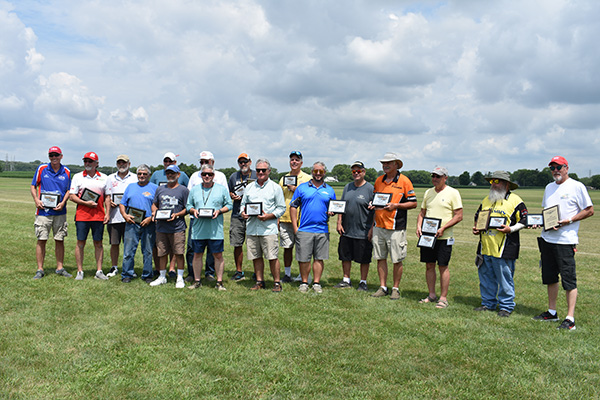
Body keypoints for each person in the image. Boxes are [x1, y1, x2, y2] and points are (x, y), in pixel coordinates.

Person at [533, 156, 594, 330]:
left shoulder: (577, 186)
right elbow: (547, 211)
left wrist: (569, 220)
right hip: (547, 238)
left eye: (558, 167)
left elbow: (589, 210)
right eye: (552, 168)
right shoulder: (549, 187)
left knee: (568, 279)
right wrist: (540, 221)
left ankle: (570, 318)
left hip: (565, 241)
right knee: (550, 277)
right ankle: (552, 312)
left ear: (566, 168)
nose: (555, 171)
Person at [472, 171, 527, 317]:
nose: (494, 184)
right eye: (492, 182)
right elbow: (478, 217)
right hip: (485, 247)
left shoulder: (516, 200)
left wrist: (511, 229)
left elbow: (525, 220)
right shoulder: (486, 199)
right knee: (485, 277)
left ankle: (506, 306)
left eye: (497, 181)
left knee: (505, 279)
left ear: (506, 184)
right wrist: (476, 228)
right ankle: (488, 303)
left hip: (505, 247)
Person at [370, 152, 417, 300]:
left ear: (396, 164)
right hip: (379, 226)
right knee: (380, 258)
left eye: (389, 162)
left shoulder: (404, 181)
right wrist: (373, 205)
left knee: (397, 260)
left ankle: (395, 288)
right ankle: (383, 287)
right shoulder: (379, 180)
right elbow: (376, 200)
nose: (385, 165)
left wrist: (396, 205)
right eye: (383, 163)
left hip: (396, 227)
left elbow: (413, 203)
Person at [416, 166, 463, 308]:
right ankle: (431, 295)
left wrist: (443, 228)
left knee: (443, 266)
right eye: (433, 176)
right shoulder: (428, 192)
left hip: (444, 237)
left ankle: (443, 298)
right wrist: (419, 226)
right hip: (428, 237)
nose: (435, 179)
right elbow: (422, 213)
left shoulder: (453, 193)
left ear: (445, 178)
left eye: (438, 176)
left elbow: (459, 215)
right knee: (429, 265)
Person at [289, 161, 336, 293]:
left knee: (319, 258)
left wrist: (332, 212)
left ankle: (316, 283)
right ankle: (304, 282)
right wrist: (295, 227)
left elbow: (333, 208)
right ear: (312, 172)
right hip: (304, 230)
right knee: (304, 259)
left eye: (321, 171)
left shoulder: (329, 190)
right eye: (316, 171)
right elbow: (293, 206)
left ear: (324, 173)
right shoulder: (302, 188)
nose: (318, 174)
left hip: (322, 230)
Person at [240, 159, 286, 292]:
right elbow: (243, 205)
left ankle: (277, 283)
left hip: (268, 228)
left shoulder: (275, 187)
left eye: (263, 170)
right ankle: (260, 281)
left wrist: (269, 216)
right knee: (256, 256)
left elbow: (281, 208)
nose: (260, 172)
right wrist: (243, 213)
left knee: (272, 257)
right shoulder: (249, 187)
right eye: (258, 170)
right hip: (252, 228)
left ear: (269, 171)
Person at [186, 164, 232, 290]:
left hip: (215, 230)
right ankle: (197, 281)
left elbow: (229, 204)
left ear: (214, 175)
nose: (207, 176)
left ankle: (219, 282)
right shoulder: (194, 189)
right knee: (197, 255)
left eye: (210, 174)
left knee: (218, 255)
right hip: (198, 230)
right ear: (201, 175)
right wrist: (193, 211)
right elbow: (188, 206)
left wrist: (220, 211)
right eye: (204, 174)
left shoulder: (221, 189)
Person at [31, 146, 72, 279]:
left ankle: (60, 268)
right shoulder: (42, 168)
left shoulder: (66, 171)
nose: (54, 157)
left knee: (59, 240)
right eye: (51, 155)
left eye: (56, 155)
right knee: (41, 239)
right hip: (43, 213)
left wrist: (63, 202)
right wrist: (36, 200)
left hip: (60, 212)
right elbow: (33, 185)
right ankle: (40, 269)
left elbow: (68, 190)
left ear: (61, 156)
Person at [69, 151, 110, 280]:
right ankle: (80, 272)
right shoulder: (78, 177)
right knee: (80, 243)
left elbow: (108, 197)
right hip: (82, 216)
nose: (87, 163)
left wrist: (107, 213)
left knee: (98, 243)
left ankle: (99, 271)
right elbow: (72, 196)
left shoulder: (104, 177)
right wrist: (85, 203)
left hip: (98, 215)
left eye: (90, 161)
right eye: (85, 161)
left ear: (96, 163)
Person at [334, 161, 374, 291]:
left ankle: (363, 282)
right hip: (347, 229)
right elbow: (341, 205)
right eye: (354, 171)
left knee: (364, 258)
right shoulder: (347, 187)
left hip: (363, 230)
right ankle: (346, 279)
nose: (356, 173)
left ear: (364, 172)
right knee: (345, 255)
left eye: (359, 171)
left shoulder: (370, 189)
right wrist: (339, 221)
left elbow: (375, 211)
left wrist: (372, 228)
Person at [150, 165, 189, 288]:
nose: (170, 175)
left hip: (177, 227)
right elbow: (154, 204)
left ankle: (180, 277)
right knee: (161, 253)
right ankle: (162, 276)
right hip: (161, 227)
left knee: (178, 252)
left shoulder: (183, 190)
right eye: (168, 173)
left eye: (173, 173)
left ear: (178, 175)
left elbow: (187, 208)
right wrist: (154, 212)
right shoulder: (160, 189)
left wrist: (177, 215)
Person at [119, 164, 158, 283]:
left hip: (148, 223)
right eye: (139, 174)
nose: (142, 176)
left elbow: (157, 206)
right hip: (132, 222)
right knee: (128, 251)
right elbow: (122, 204)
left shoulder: (155, 188)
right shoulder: (130, 187)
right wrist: (125, 215)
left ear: (149, 175)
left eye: (144, 174)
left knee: (148, 251)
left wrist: (151, 218)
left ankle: (147, 275)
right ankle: (127, 274)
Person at [278, 151, 311, 283]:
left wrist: (295, 188)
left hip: (302, 219)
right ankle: (287, 274)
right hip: (285, 218)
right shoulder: (282, 179)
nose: (294, 162)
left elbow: (310, 195)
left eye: (297, 160)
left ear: (301, 163)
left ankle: (303, 275)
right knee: (287, 247)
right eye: (292, 159)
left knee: (303, 248)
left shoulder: (308, 178)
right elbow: (279, 198)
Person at [104, 155, 137, 278]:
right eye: (119, 163)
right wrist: (109, 203)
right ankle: (114, 267)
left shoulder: (134, 177)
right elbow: (107, 196)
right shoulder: (110, 178)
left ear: (129, 163)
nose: (121, 165)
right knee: (114, 243)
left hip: (130, 216)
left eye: (124, 163)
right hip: (114, 216)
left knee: (130, 244)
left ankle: (129, 268)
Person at [228, 153, 257, 281]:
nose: (243, 164)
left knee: (255, 243)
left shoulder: (257, 175)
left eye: (245, 161)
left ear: (250, 162)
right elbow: (229, 191)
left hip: (253, 213)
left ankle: (257, 271)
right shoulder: (234, 176)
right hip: (237, 213)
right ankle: (239, 271)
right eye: (240, 162)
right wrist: (232, 195)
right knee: (237, 243)